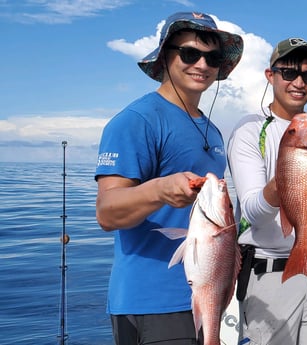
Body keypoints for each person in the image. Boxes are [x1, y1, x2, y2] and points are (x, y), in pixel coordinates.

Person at [94, 11, 243, 344]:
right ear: (165, 56)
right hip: (153, 304)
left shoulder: (212, 131)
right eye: (190, 53)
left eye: (213, 57)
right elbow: (106, 212)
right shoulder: (136, 120)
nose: (202, 65)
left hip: (212, 296)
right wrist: (160, 190)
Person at [227, 38, 307, 345]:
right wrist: (282, 185)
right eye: (289, 72)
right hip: (268, 273)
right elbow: (252, 212)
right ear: (270, 75)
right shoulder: (251, 130)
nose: (299, 82)